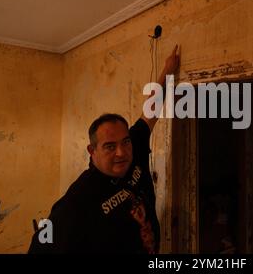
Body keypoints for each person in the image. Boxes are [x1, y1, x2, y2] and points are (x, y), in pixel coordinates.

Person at [28, 45, 180, 253]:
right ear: (92, 151)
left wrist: (168, 71)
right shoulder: (79, 198)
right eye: (110, 146)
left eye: (125, 142)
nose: (121, 152)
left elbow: (150, 111)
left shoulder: (132, 146)